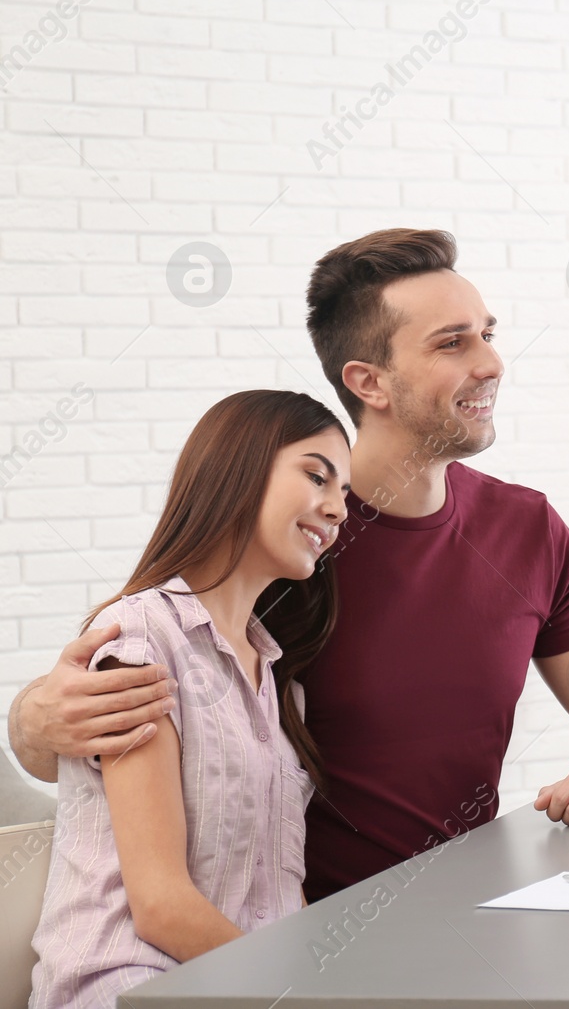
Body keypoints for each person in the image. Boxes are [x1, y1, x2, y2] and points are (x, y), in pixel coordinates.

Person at [10, 229, 569, 902]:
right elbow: (126, 684)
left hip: (469, 912)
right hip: (296, 934)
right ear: (368, 382)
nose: (492, 362)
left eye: (488, 334)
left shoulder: (529, 529)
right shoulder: (290, 542)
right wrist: (33, 721)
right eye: (453, 342)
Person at [30, 390, 349, 1008]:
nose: (337, 509)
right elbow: (160, 908)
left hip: (236, 987)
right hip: (134, 986)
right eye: (317, 476)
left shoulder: (277, 678)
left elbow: (278, 893)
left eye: (344, 495)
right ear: (240, 467)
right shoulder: (143, 638)